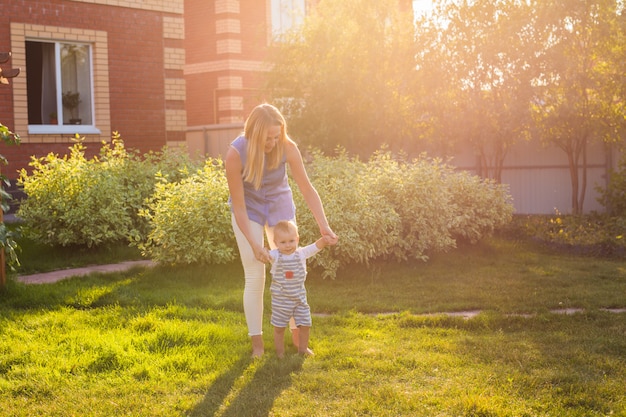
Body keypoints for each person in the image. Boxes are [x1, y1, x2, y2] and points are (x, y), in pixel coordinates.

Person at [225, 103, 338, 358]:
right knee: (255, 275)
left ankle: (298, 340)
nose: (274, 142)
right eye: (268, 137)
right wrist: (255, 245)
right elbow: (240, 208)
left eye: (277, 136)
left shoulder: (287, 147)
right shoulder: (235, 154)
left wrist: (324, 224)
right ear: (254, 133)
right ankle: (257, 346)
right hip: (250, 210)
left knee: (291, 269)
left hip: (279, 203)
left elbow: (307, 189)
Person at [269, 220, 330, 358]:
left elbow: (315, 247)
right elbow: (264, 255)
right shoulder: (275, 255)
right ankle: (280, 353)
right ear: (276, 243)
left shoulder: (301, 253)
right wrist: (260, 252)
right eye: (283, 242)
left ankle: (302, 350)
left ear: (297, 239)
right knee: (279, 328)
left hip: (299, 298)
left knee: (305, 324)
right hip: (281, 300)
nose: (288, 245)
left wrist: (324, 240)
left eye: (291, 241)